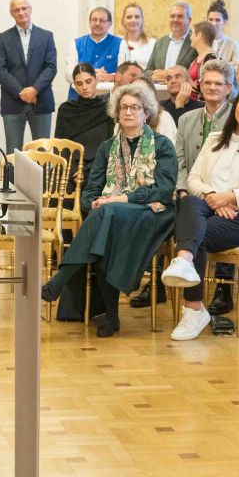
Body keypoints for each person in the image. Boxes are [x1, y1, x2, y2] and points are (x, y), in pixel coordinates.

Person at [39, 82, 178, 337]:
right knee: (105, 227)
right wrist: (93, 203)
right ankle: (111, 318)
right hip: (112, 215)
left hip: (153, 212)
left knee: (107, 215)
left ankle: (60, 280)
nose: (128, 112)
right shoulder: (107, 147)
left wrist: (119, 200)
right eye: (123, 107)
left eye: (135, 107)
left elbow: (163, 190)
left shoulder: (162, 145)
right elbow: (91, 190)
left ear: (146, 112)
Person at [162, 87, 239, 341]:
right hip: (211, 208)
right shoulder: (215, 138)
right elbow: (193, 178)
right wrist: (215, 198)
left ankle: (193, 307)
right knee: (190, 203)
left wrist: (230, 197)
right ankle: (186, 266)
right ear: (234, 104)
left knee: (196, 233)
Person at [0, 0, 57, 151]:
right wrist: (22, 92)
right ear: (11, 13)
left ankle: (42, 177)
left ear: (30, 9)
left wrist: (34, 89)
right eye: (16, 10)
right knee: (13, 150)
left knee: (42, 151)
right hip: (13, 102)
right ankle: (14, 178)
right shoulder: (3, 38)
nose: (21, 12)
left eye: (24, 8)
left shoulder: (46, 36)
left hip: (41, 101)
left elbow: (51, 67)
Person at [175, 59, 235, 174]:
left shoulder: (237, 117)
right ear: (201, 86)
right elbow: (179, 160)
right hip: (186, 189)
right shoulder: (185, 119)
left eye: (218, 83)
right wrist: (182, 190)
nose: (212, 87)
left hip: (223, 190)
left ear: (228, 88)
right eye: (207, 83)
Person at [54, 63, 113, 160]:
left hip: (98, 166)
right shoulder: (66, 109)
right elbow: (59, 146)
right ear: (75, 85)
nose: (84, 87)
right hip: (70, 166)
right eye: (79, 83)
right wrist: (70, 169)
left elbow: (108, 145)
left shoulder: (107, 109)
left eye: (88, 81)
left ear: (96, 80)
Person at [67, 6, 122, 101]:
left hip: (109, 100)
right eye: (94, 20)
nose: (97, 23)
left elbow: (124, 75)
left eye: (102, 20)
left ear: (110, 24)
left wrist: (110, 77)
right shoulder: (76, 44)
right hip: (78, 100)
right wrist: (91, 75)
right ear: (89, 22)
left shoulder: (120, 44)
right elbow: (68, 75)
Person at [148, 1, 196, 75]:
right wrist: (154, 75)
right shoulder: (160, 43)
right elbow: (148, 70)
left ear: (189, 20)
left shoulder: (196, 42)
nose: (175, 20)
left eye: (180, 16)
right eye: (172, 16)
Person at [205, 0, 239, 65]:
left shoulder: (233, 44)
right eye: (210, 19)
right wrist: (230, 63)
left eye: (217, 20)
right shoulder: (202, 42)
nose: (213, 23)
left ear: (225, 22)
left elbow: (238, 67)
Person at [118, 1, 154, 68]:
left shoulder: (153, 44)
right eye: (129, 17)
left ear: (142, 19)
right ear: (123, 21)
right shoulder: (117, 43)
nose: (133, 20)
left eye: (137, 17)